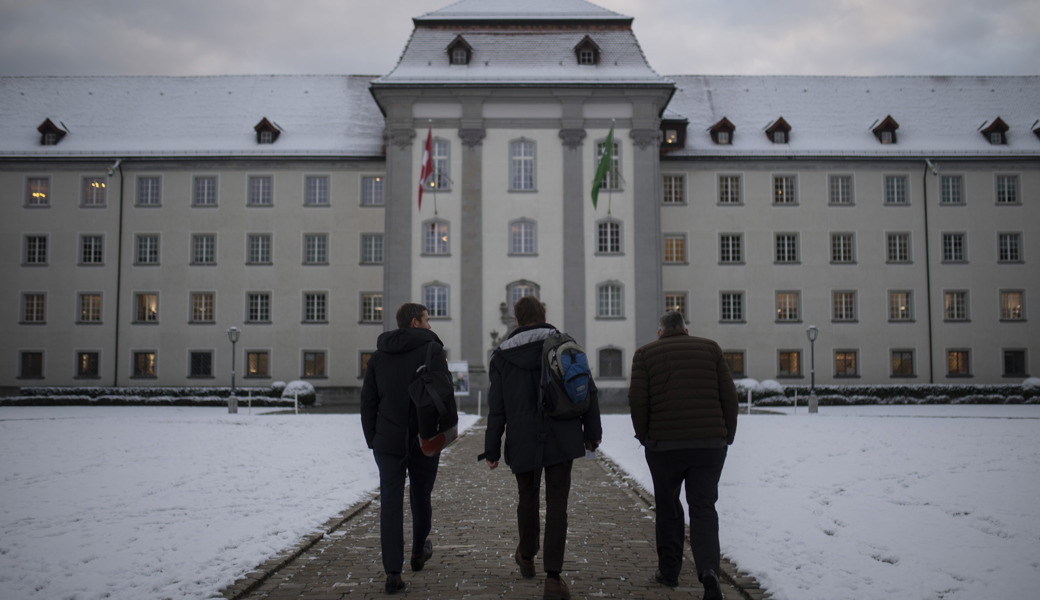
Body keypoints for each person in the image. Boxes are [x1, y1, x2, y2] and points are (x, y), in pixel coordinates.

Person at [482, 296, 602, 600]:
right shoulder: (564, 344)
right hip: (562, 433)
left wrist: (493, 448)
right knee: (557, 503)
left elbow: (496, 409)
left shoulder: (500, 357)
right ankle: (553, 577)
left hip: (522, 438)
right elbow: (588, 388)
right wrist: (593, 432)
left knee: (527, 497)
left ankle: (527, 555)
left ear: (517, 319)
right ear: (544, 315)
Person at [627, 311, 738, 600]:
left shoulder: (645, 354)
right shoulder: (711, 348)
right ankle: (709, 572)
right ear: (686, 330)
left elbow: (637, 400)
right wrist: (727, 435)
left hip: (665, 446)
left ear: (660, 332)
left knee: (668, 506)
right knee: (703, 508)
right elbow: (730, 396)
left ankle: (669, 570)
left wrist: (645, 437)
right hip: (709, 445)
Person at [361, 303, 448, 594]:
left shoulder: (378, 356)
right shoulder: (432, 351)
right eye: (427, 320)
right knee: (421, 496)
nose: (430, 325)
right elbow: (444, 394)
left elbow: (368, 402)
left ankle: (393, 573)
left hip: (387, 441)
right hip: (423, 439)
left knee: (390, 503)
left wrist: (373, 438)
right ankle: (417, 552)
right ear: (415, 322)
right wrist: (443, 432)